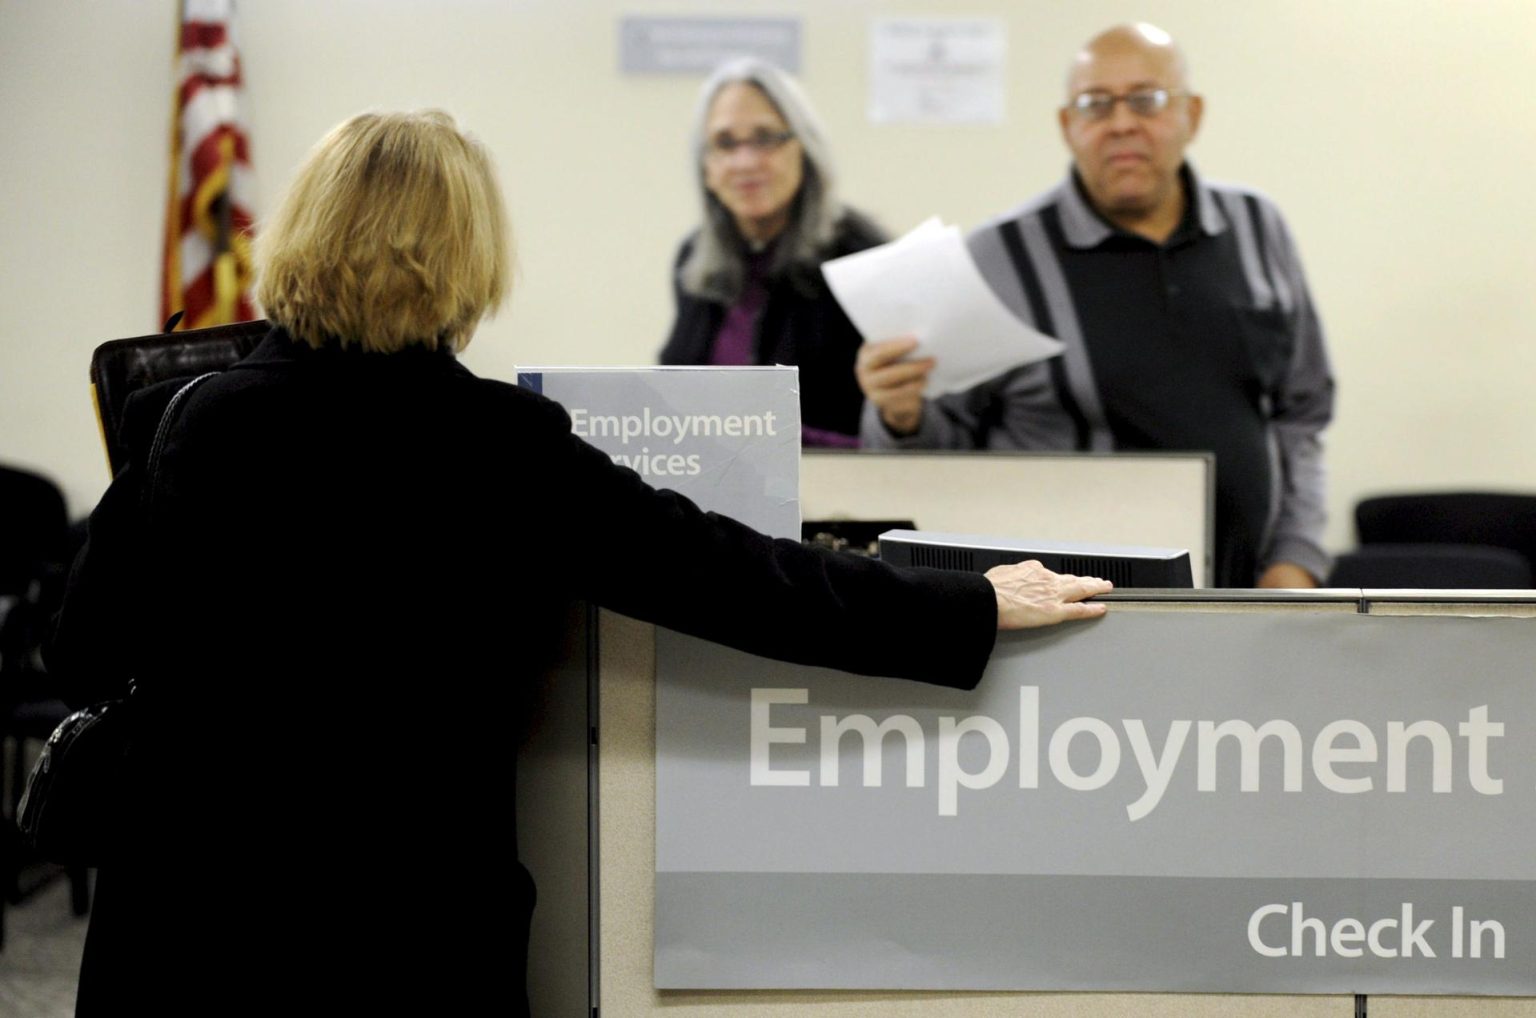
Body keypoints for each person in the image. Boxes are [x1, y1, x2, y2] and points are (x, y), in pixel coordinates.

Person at [46, 110, 1111, 1015]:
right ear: (466, 257)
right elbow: (730, 574)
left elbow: (82, 648)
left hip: (185, 913)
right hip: (413, 924)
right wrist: (963, 602)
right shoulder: (500, 442)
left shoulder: (184, 414)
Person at [856, 23, 1335, 589]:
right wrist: (900, 415)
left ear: (1193, 115)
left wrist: (1295, 560)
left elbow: (1301, 413)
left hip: (1249, 596)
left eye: (1147, 100)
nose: (1123, 123)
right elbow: (940, 465)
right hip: (1068, 617)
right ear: (1068, 125)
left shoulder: (1259, 226)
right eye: (1095, 105)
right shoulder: (999, 257)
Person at [659, 57, 882, 446]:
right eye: (725, 143)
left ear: (804, 150)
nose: (746, 161)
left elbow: (890, 430)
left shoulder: (863, 256)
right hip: (705, 491)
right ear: (707, 167)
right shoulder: (693, 259)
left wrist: (761, 443)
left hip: (836, 495)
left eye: (766, 138)